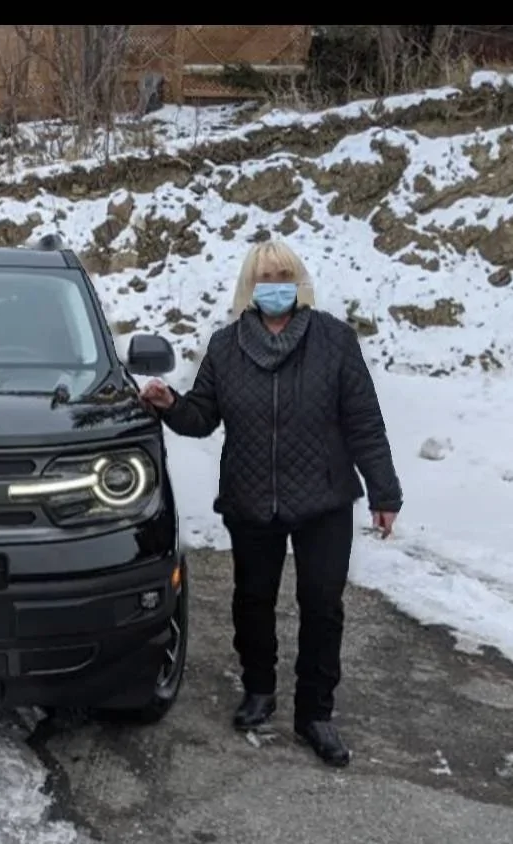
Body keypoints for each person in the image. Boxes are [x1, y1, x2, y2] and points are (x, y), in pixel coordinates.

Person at [140, 239, 402, 768]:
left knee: (322, 606)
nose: (274, 285)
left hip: (325, 498)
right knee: (252, 599)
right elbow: (202, 418)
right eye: (264, 277)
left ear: (298, 280)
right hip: (250, 496)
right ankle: (258, 689)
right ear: (250, 287)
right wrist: (170, 405)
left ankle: (315, 714)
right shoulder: (225, 346)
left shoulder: (334, 339)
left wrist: (384, 490)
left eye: (283, 274)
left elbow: (364, 422)